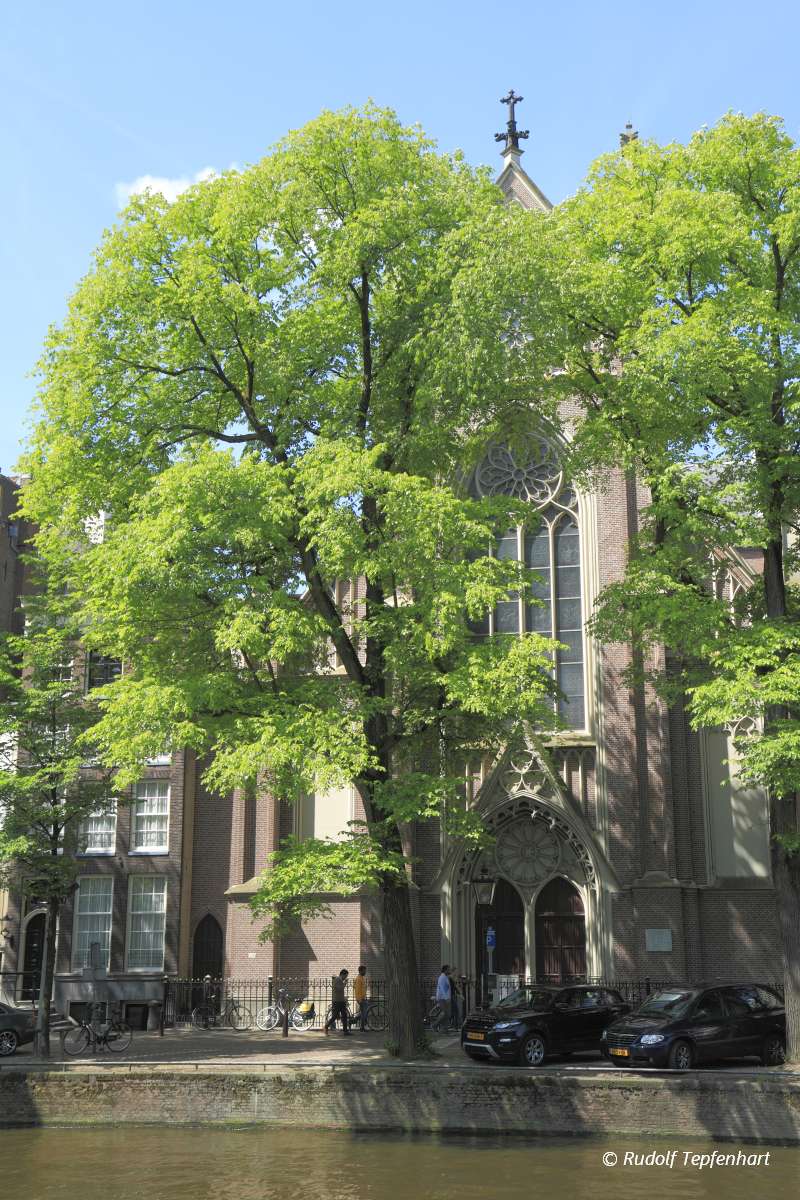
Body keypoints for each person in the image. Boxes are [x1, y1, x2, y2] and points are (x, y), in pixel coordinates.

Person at [325, 968, 350, 1036]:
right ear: (342, 974)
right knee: (335, 1016)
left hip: (341, 1001)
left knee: (344, 1015)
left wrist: (344, 997)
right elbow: (339, 989)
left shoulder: (340, 980)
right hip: (337, 1001)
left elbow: (340, 990)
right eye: (346, 976)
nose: (346, 977)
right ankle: (326, 1026)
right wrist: (345, 983)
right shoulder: (337, 980)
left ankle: (345, 1031)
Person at [353, 964, 368, 1031]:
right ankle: (361, 1027)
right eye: (364, 971)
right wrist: (359, 999)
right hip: (361, 999)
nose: (365, 972)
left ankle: (354, 1021)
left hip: (363, 998)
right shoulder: (359, 979)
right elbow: (357, 990)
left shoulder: (362, 978)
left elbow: (363, 989)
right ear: (361, 971)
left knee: (363, 1013)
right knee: (364, 1013)